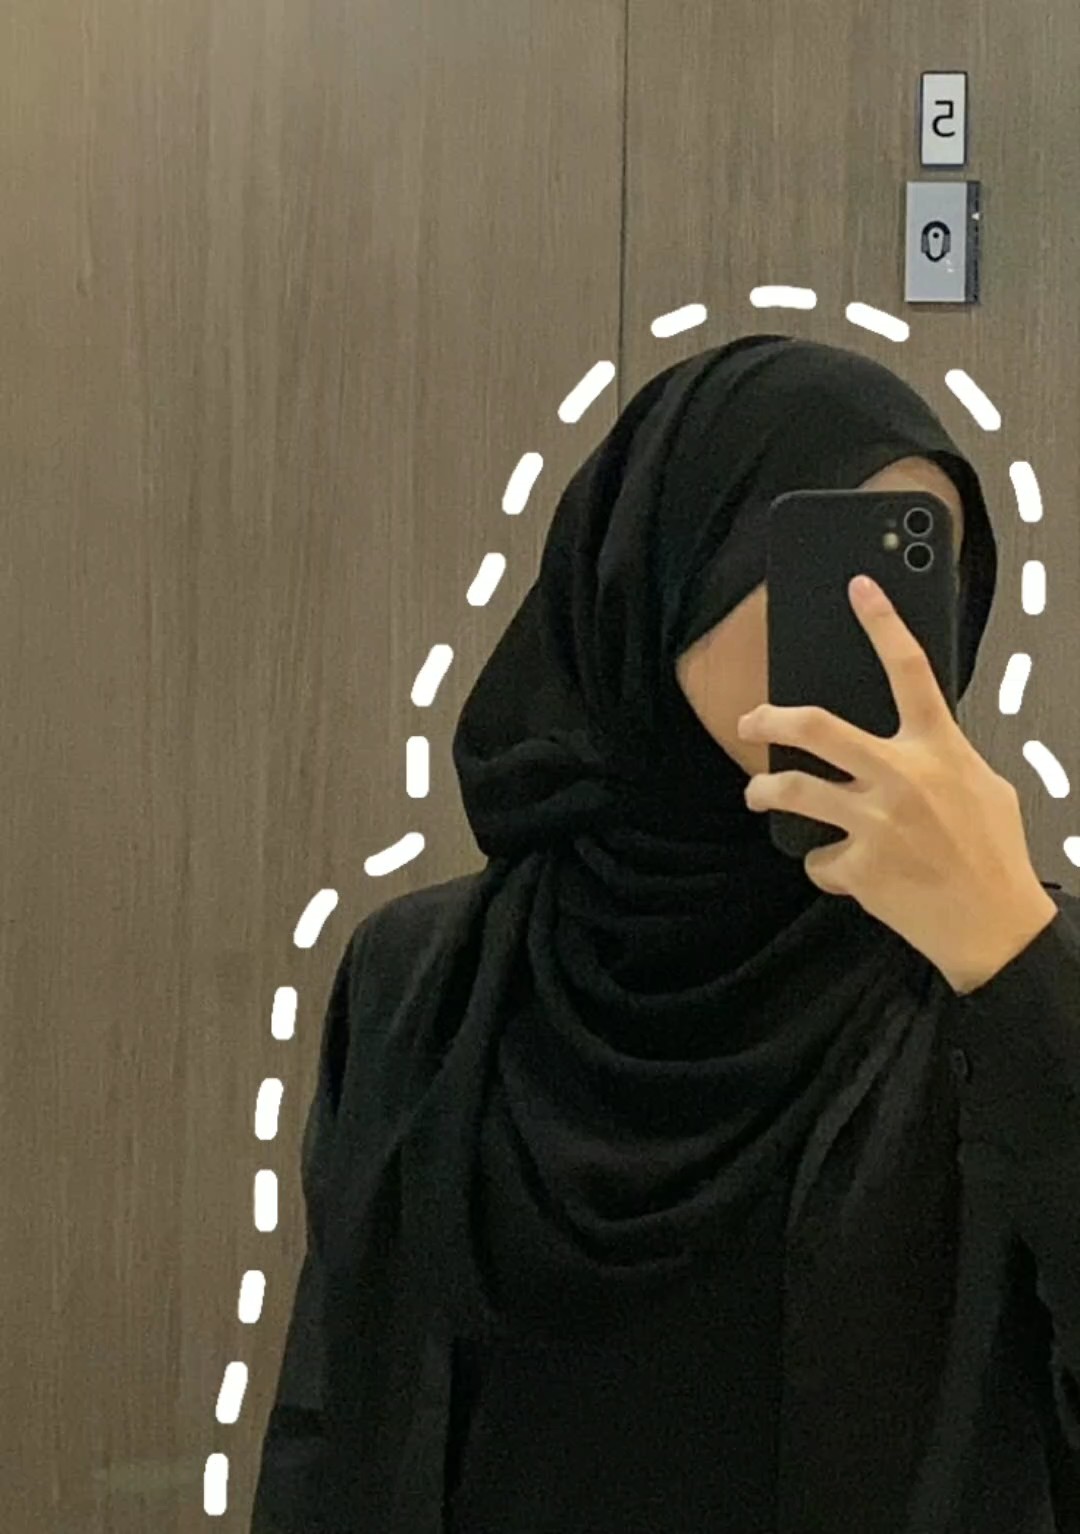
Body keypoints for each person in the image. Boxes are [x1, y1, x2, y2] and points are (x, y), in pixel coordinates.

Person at [250, 336, 1080, 1534]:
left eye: (921, 569)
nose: (885, 629)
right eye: (824, 560)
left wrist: (1012, 957)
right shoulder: (424, 977)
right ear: (665, 564)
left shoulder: (995, 986)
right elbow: (332, 1424)